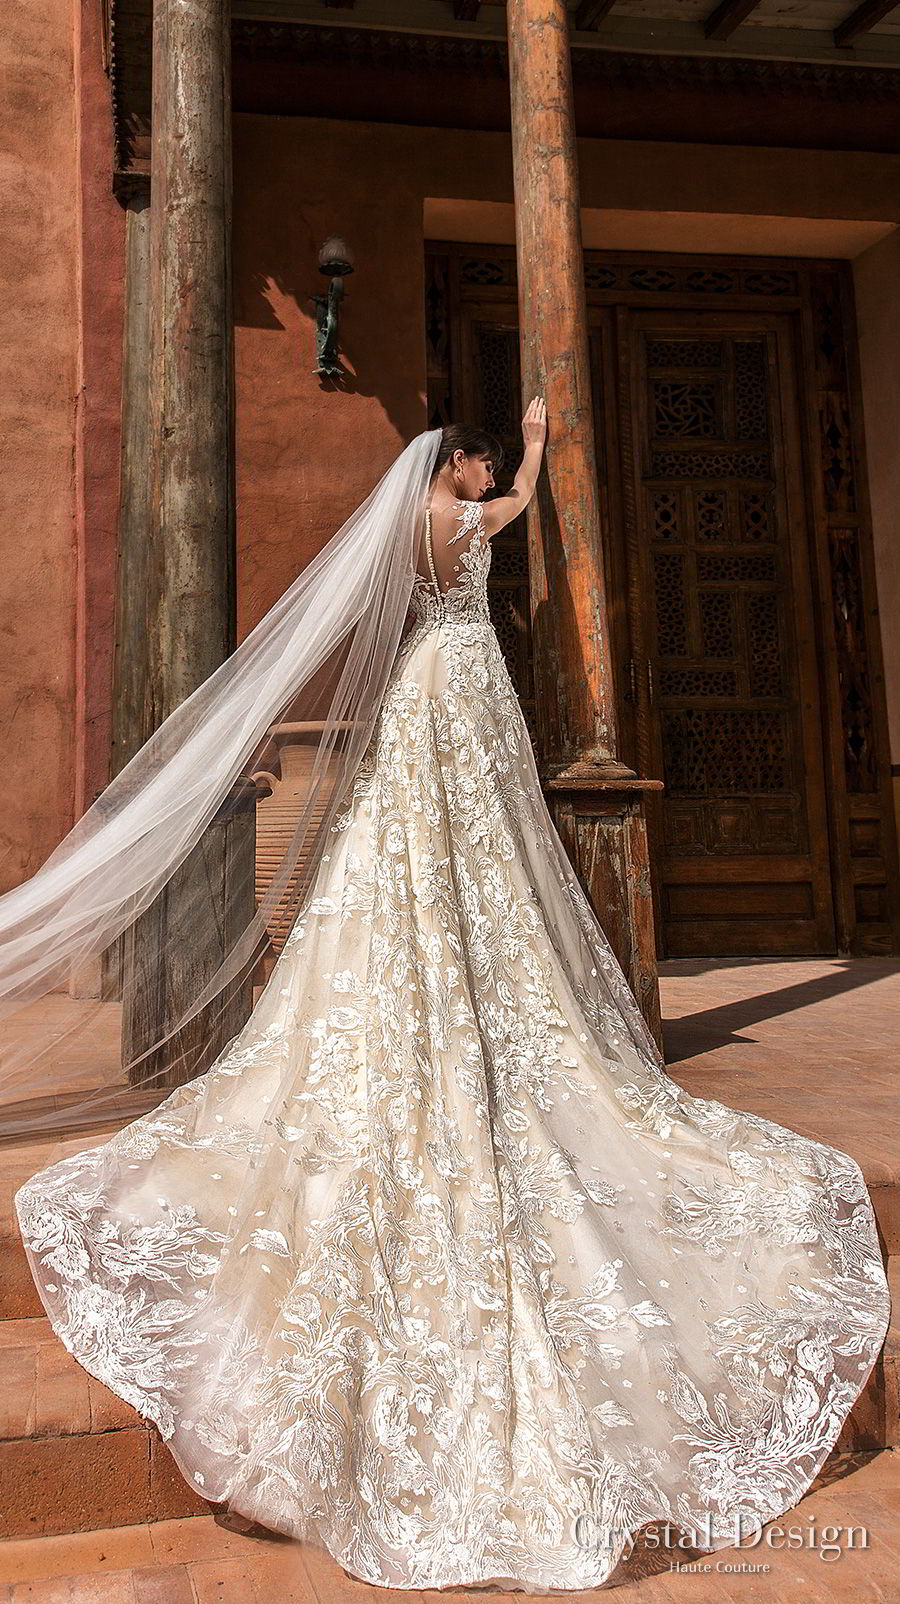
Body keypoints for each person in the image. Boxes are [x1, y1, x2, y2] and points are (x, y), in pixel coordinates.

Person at [13, 404, 891, 1592]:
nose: (483, 474)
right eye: (478, 457)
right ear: (462, 462)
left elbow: (377, 602)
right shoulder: (474, 512)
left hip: (422, 686)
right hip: (471, 687)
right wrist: (534, 447)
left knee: (407, 843)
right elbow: (522, 506)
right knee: (488, 850)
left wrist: (504, 459)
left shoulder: (403, 528)